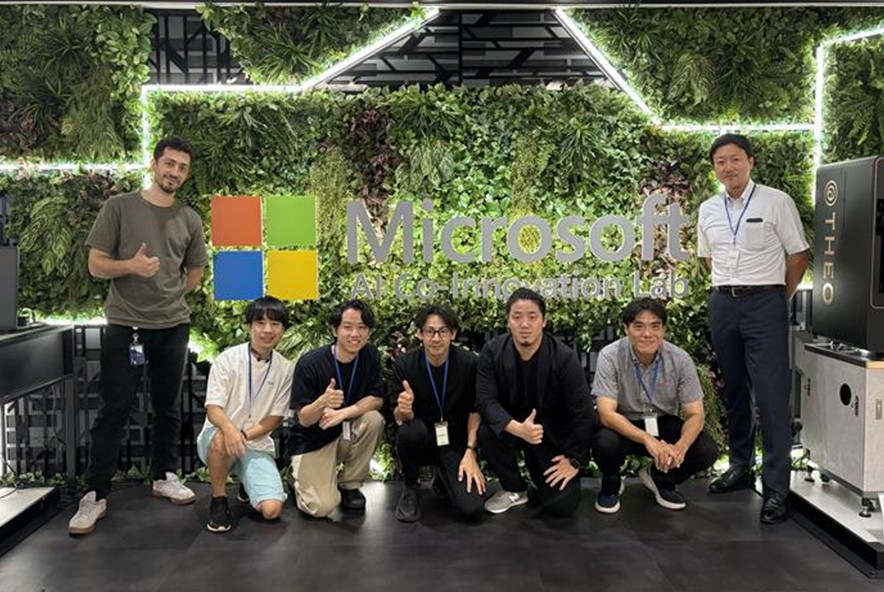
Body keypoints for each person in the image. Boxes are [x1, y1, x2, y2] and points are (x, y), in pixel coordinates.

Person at [69, 137, 206, 535]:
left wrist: (168, 293)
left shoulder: (190, 219)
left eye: (182, 167)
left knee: (168, 407)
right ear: (153, 164)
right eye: (169, 164)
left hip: (173, 326)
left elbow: (194, 274)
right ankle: (94, 495)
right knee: (115, 408)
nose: (174, 172)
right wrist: (130, 265)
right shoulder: (119, 207)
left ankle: (164, 475)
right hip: (125, 326)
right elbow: (95, 265)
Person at [697, 133, 810, 524]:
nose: (728, 168)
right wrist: (728, 291)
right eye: (720, 162)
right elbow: (707, 258)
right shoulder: (709, 208)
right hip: (723, 302)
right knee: (734, 390)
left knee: (772, 396)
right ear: (714, 169)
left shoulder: (776, 201)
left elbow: (799, 254)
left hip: (765, 301)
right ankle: (740, 466)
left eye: (734, 159)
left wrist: (778, 296)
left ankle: (777, 488)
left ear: (750, 161)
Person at [591, 298, 718, 514]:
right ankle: (611, 484)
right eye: (638, 326)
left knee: (705, 450)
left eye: (655, 326)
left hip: (662, 422)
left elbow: (695, 414)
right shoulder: (610, 356)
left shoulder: (680, 359)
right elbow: (605, 413)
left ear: (664, 330)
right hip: (623, 423)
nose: (647, 334)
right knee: (604, 441)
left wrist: (680, 448)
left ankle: (660, 478)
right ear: (626, 329)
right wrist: (647, 439)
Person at [476, 288, 594, 517]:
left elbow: (583, 411)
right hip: (512, 429)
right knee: (486, 433)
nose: (524, 324)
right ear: (508, 321)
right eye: (517, 317)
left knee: (563, 507)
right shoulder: (492, 352)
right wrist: (518, 429)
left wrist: (574, 460)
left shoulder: (564, 358)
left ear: (544, 321)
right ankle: (514, 488)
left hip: (549, 436)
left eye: (532, 316)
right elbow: (485, 400)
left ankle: (540, 478)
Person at [197, 296, 293, 533]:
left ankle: (247, 485)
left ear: (282, 329)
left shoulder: (285, 368)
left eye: (275, 324)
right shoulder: (228, 359)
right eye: (260, 323)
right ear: (249, 326)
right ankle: (219, 500)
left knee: (272, 510)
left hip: (256, 441)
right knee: (222, 437)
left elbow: (275, 417)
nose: (267, 330)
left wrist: (244, 435)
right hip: (218, 438)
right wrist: (231, 430)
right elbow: (213, 409)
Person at [288, 299, 385, 518]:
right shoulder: (310, 363)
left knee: (373, 420)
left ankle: (349, 485)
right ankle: (297, 479)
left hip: (345, 434)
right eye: (348, 327)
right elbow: (303, 419)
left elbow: (377, 398)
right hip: (313, 439)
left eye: (362, 328)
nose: (355, 334)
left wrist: (344, 412)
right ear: (335, 329)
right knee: (321, 508)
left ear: (369, 332)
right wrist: (322, 402)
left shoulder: (369, 355)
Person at [391, 304, 484, 523]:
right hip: (421, 437)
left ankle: (444, 476)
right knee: (410, 432)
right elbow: (399, 419)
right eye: (429, 331)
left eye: (443, 331)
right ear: (419, 333)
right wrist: (404, 410)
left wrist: (470, 451)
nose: (436, 338)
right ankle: (410, 486)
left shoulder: (469, 363)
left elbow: (475, 410)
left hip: (454, 441)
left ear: (453, 333)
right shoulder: (405, 365)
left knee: (471, 509)